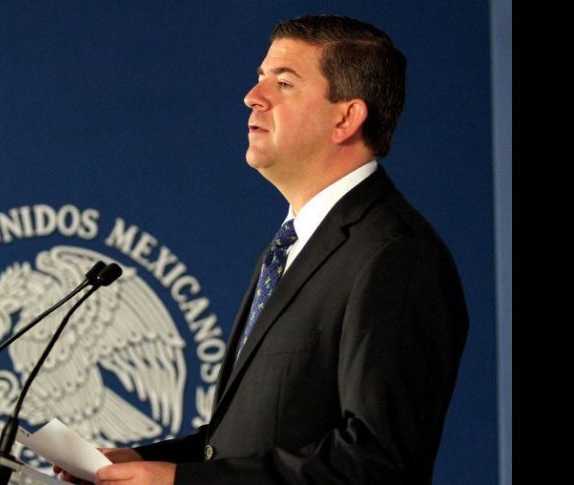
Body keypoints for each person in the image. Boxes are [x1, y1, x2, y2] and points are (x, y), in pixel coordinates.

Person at [57, 14, 468, 485]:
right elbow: (255, 440)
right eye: (259, 79)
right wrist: (143, 460)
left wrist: (182, 483)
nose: (253, 97)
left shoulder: (396, 256)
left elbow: (375, 463)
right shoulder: (292, 246)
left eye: (284, 82)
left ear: (346, 117)